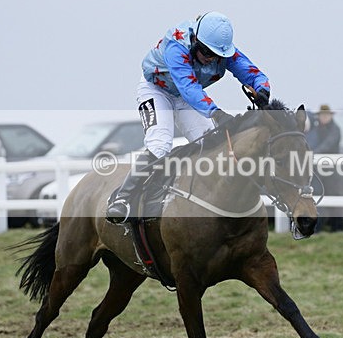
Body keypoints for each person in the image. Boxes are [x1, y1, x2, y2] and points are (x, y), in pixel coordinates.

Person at [105, 12, 271, 223]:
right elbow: (188, 87)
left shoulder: (223, 51)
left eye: (215, 55)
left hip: (187, 96)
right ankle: (123, 198)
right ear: (195, 40)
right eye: (205, 52)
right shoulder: (177, 46)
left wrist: (263, 91)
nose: (210, 58)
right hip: (157, 89)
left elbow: (254, 73)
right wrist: (217, 114)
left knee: (210, 142)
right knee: (160, 142)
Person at [309, 104, 343, 232]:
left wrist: (314, 153)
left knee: (334, 194)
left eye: (326, 115)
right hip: (318, 168)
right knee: (318, 195)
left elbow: (328, 144)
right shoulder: (315, 129)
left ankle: (338, 227)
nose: (324, 118)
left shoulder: (335, 130)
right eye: (322, 115)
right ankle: (318, 226)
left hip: (332, 168)